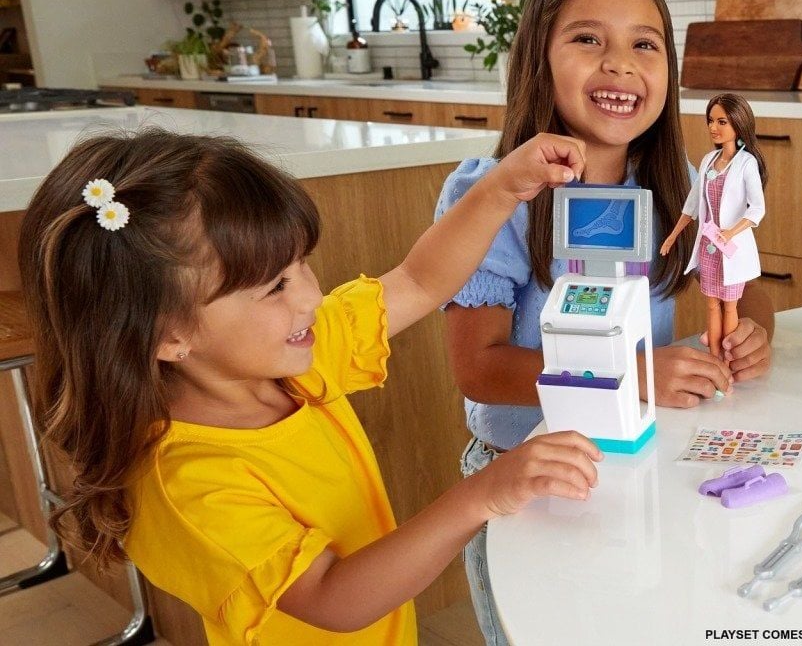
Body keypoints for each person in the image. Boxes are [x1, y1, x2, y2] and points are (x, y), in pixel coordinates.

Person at [18, 127, 603, 644]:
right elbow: (333, 598)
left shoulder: (292, 362)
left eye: (301, 264)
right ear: (169, 335)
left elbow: (419, 281)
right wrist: (482, 495)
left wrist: (502, 188)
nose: (309, 296)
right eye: (275, 286)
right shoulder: (187, 483)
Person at [435, 0, 776, 646]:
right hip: (523, 477)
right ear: (538, 59)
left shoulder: (680, 184)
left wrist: (746, 333)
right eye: (589, 39)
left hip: (639, 464)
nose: (620, 64)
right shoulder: (492, 196)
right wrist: (635, 376)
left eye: (644, 44)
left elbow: (741, 287)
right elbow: (477, 368)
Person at [660, 93, 767, 364]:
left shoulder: (746, 163)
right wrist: (672, 236)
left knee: (730, 305)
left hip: (730, 248)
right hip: (708, 245)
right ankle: (715, 357)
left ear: (738, 124)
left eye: (721, 121)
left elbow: (757, 209)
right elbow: (692, 204)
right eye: (710, 120)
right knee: (711, 304)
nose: (713, 127)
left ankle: (728, 360)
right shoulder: (709, 160)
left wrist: (731, 232)